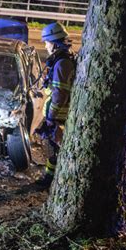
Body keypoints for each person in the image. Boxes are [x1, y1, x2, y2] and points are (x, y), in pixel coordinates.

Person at [36, 22, 76, 189]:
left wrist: (51, 117)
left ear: (54, 42)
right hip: (59, 113)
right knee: (52, 148)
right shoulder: (62, 59)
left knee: (55, 148)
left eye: (46, 42)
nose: (45, 46)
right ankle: (51, 177)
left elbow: (60, 94)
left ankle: (51, 180)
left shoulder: (61, 63)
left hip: (59, 115)